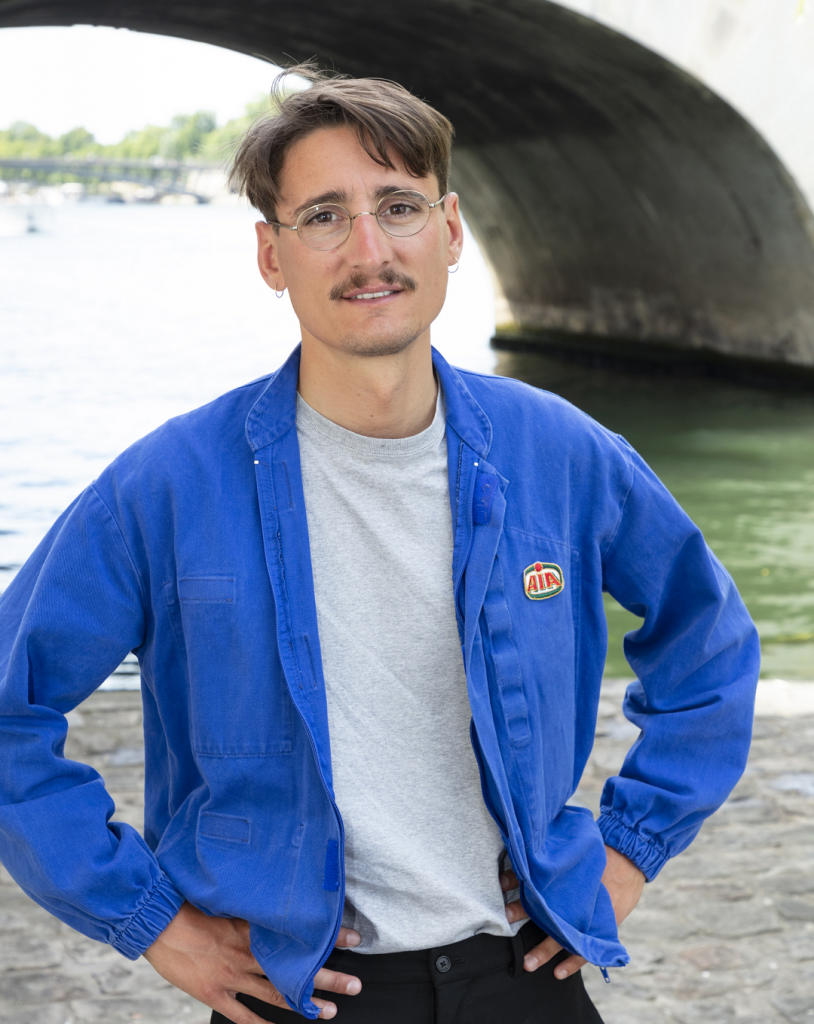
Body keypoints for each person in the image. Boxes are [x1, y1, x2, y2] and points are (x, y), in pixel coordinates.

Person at [0, 66, 760, 1024]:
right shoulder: (166, 486)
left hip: (525, 978)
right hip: (303, 994)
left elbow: (710, 643)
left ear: (448, 232)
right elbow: (7, 710)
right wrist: (157, 923)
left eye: (397, 206)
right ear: (271, 257)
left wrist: (627, 852)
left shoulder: (561, 453)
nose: (370, 249)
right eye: (323, 215)